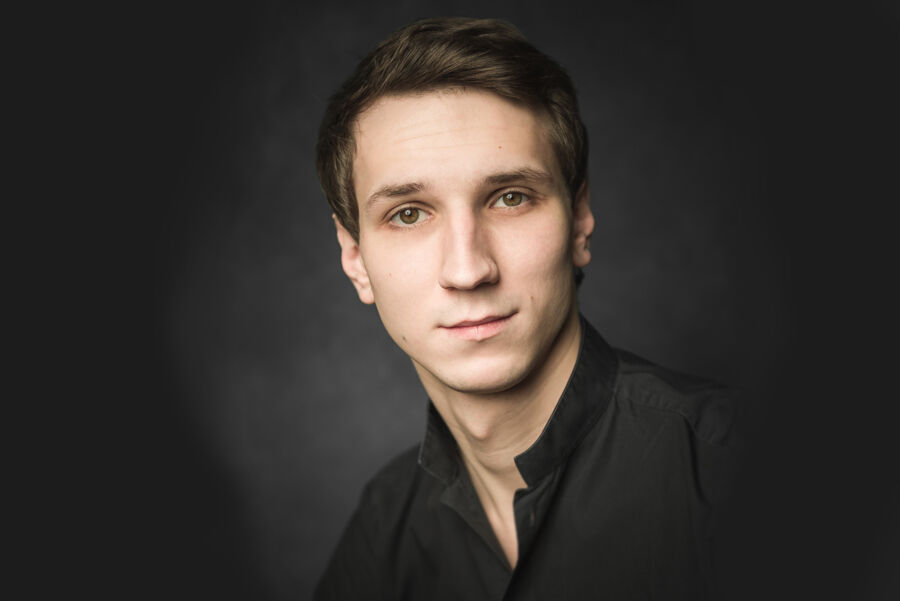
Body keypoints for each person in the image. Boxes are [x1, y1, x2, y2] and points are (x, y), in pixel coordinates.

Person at [314, 17, 740, 601]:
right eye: (409, 213)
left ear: (579, 220)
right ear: (355, 259)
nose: (468, 270)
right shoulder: (384, 527)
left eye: (510, 198)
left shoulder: (733, 470)